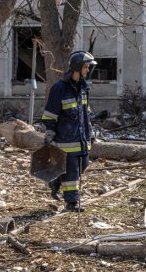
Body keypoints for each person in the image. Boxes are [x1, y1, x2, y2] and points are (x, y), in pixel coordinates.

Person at [41, 51, 97, 212]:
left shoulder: (83, 88)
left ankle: (56, 180)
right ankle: (72, 203)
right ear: (77, 67)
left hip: (82, 138)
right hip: (66, 140)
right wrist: (50, 133)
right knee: (72, 171)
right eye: (86, 67)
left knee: (83, 165)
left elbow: (85, 113)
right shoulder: (59, 88)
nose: (87, 70)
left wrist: (90, 133)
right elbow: (50, 114)